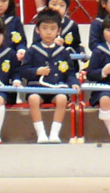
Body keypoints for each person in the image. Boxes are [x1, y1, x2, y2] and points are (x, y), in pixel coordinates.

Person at [20, 11, 79, 143]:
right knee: (33, 99)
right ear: (37, 30)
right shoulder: (32, 50)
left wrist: (74, 83)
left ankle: (54, 133)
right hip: (37, 87)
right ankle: (41, 133)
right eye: (44, 28)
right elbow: (23, 71)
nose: (48, 32)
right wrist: (37, 71)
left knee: (62, 98)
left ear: (59, 31)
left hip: (57, 87)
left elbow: (70, 72)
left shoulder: (63, 52)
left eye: (52, 29)